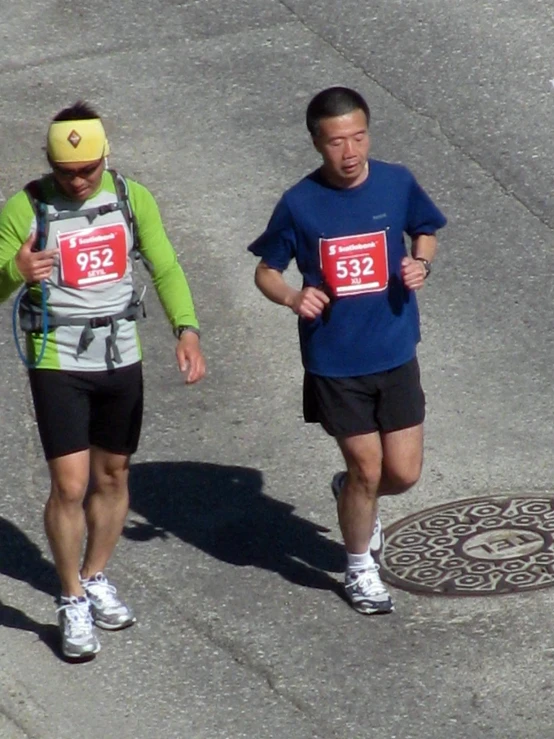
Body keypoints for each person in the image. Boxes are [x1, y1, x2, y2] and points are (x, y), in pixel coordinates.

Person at [0, 101, 206, 658]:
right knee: (70, 484)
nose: (78, 179)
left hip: (119, 356)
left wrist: (185, 329)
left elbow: (163, 265)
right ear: (48, 162)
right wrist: (13, 273)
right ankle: (69, 600)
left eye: (88, 169)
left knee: (112, 477)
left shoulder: (130, 199)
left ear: (104, 158)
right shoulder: (26, 208)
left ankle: (94, 576)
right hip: (57, 358)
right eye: (66, 171)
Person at [248, 86, 446, 616]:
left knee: (400, 474)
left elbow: (425, 231)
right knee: (367, 467)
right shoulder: (300, 203)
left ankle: (353, 493)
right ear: (318, 143)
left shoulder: (396, 182)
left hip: (395, 348)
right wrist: (294, 295)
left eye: (358, 137)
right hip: (335, 362)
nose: (350, 151)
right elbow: (265, 270)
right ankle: (359, 567)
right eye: (337, 141)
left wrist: (420, 264)